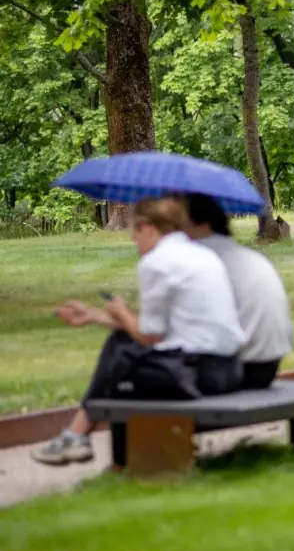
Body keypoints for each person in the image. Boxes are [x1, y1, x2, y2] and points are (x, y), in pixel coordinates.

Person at [32, 196, 245, 466]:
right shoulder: (199, 254)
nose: (133, 239)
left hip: (195, 375)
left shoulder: (157, 262)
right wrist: (95, 316)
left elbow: (148, 336)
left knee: (121, 351)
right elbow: (165, 329)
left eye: (133, 230)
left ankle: (78, 436)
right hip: (229, 369)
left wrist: (120, 312)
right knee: (122, 346)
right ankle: (77, 435)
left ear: (147, 227)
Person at [186, 194, 293, 389]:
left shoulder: (203, 259)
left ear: (200, 224)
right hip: (269, 364)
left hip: (237, 369)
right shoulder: (246, 256)